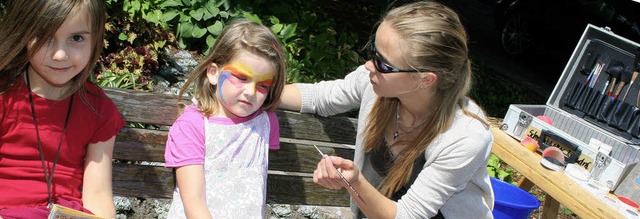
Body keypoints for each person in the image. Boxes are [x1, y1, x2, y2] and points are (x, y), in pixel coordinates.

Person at [279, 1, 495, 218]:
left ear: (425, 80)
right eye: (374, 50)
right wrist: (258, 91)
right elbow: (321, 97)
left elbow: (407, 216)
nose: (369, 65)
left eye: (383, 63)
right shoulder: (376, 84)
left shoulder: (466, 136)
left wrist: (355, 183)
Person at [0, 0, 125, 218]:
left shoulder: (99, 110)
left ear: (95, 40)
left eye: (77, 38)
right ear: (23, 32)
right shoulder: (5, 97)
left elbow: (98, 195)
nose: (60, 55)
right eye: (46, 36)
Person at [164, 19, 286, 218]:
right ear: (213, 73)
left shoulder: (265, 123)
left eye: (262, 85)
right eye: (242, 78)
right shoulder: (192, 125)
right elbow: (193, 201)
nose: (250, 92)